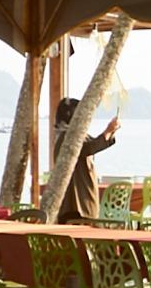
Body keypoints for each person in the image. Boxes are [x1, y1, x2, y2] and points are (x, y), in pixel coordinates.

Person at [51, 96, 121, 224]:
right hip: (76, 204)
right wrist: (108, 131)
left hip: (82, 202)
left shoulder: (71, 136)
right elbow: (88, 148)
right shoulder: (67, 138)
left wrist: (110, 132)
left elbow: (92, 144)